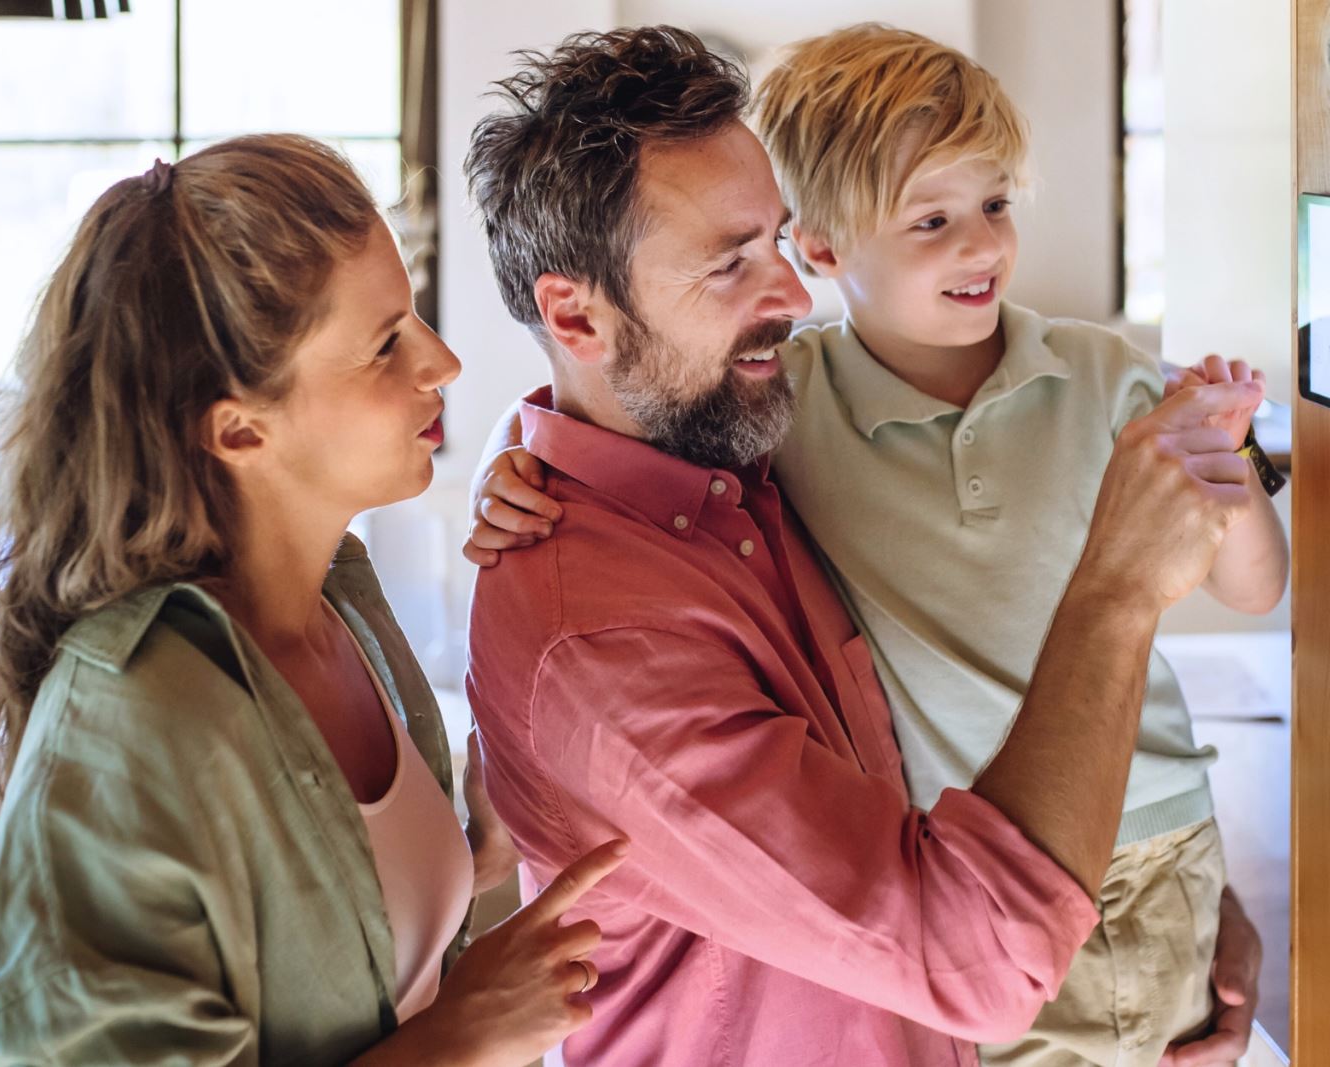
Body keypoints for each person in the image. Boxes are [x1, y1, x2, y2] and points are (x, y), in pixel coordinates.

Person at [460, 26, 1264, 1067]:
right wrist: (1114, 587)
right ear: (575, 313)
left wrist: (1166, 876)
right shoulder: (605, 642)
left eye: (777, 242)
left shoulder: (733, 451)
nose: (793, 297)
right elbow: (980, 957)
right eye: (729, 261)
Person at [0, 134, 622, 1066]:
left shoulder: (346, 612)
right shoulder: (127, 722)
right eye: (385, 344)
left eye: (416, 317)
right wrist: (467, 1031)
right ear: (239, 430)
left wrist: (481, 845)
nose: (442, 362)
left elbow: (356, 950)